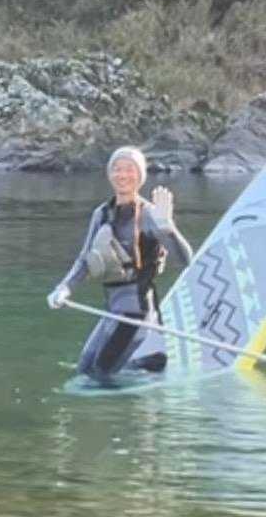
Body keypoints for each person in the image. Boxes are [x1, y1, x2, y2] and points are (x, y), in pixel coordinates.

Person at [47, 146, 193, 382]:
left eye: (129, 169)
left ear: (140, 176)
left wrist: (168, 229)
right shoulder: (102, 214)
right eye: (116, 169)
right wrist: (64, 287)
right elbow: (85, 258)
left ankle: (144, 373)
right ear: (109, 174)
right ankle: (148, 365)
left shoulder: (150, 215)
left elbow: (186, 260)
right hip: (113, 310)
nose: (122, 175)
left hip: (137, 313)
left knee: (99, 375)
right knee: (84, 370)